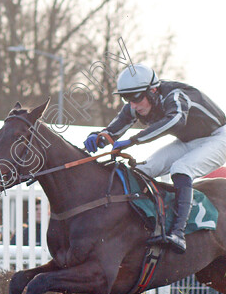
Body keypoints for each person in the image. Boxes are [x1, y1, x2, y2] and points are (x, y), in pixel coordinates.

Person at [84, 64, 226, 253]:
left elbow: (174, 120)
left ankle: (178, 232)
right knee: (141, 171)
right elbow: (115, 128)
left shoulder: (176, 95)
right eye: (127, 98)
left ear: (153, 90)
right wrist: (100, 136)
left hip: (219, 137)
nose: (132, 104)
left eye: (136, 98)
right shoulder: (137, 103)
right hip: (189, 140)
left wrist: (133, 141)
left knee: (181, 169)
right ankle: (145, 224)